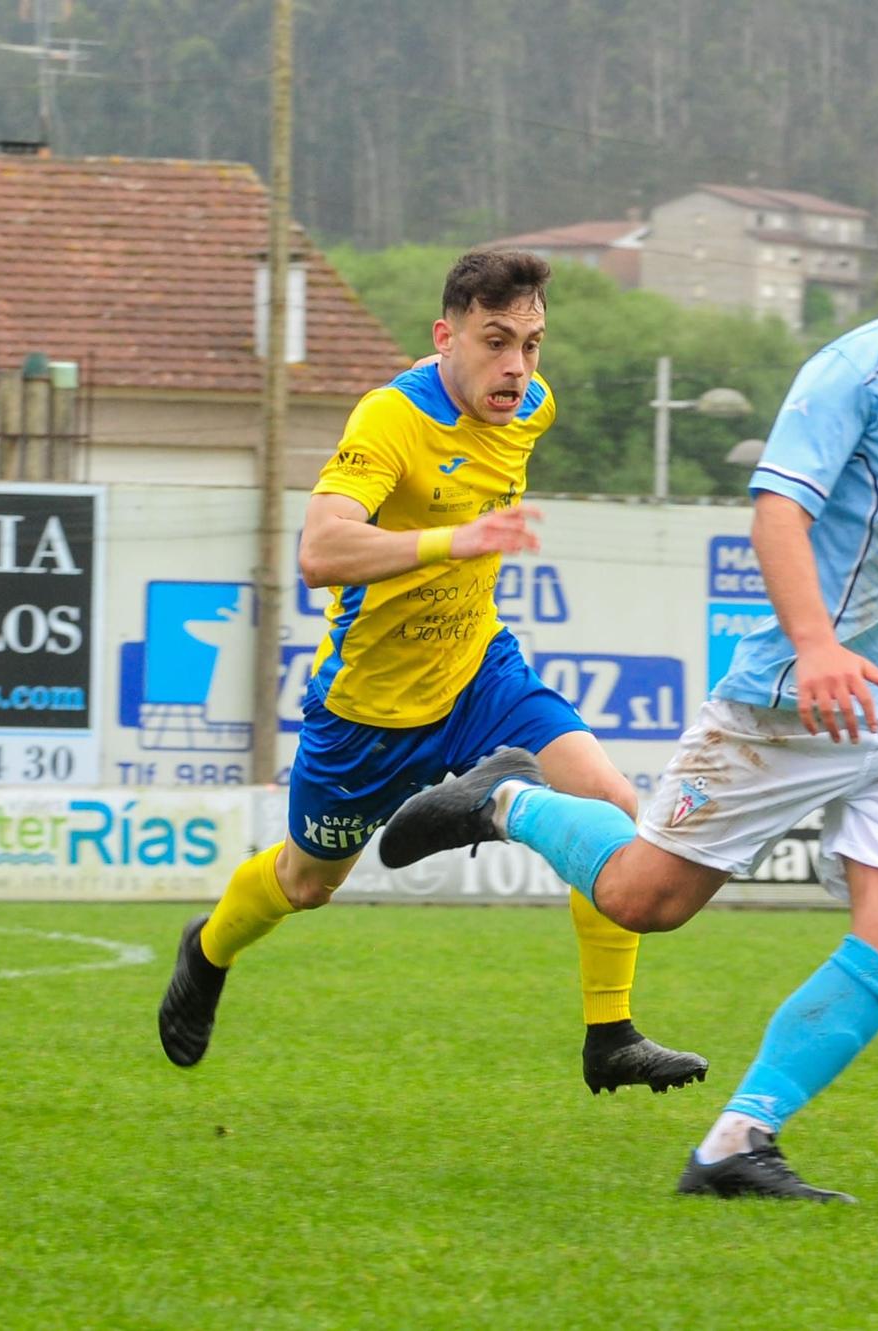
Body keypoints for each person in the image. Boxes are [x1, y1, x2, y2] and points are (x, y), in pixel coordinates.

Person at [377, 141, 878, 1201]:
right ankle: (504, 800)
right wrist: (815, 642)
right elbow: (779, 508)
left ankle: (733, 1142)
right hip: (795, 697)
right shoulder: (863, 368)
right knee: (647, 896)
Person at [156, 249, 707, 1097]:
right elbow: (319, 551)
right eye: (496, 341)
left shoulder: (528, 404)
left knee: (612, 806)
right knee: (306, 883)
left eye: (532, 343)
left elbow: (472, 378)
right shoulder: (387, 421)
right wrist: (458, 539)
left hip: (479, 664)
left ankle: (610, 1032)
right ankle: (209, 948)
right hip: (370, 707)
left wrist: (471, 370)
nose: (517, 367)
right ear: (447, 336)